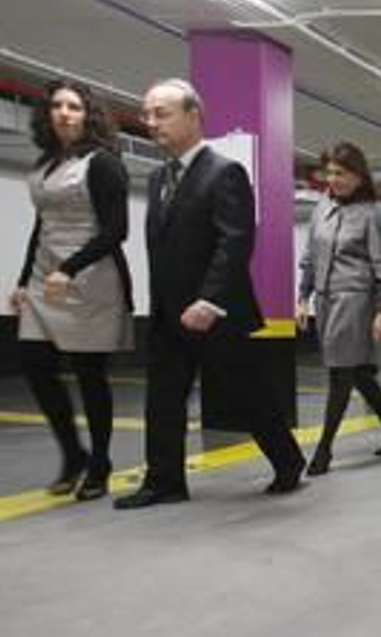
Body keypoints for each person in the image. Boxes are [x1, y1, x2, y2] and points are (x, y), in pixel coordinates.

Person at [115, 78, 304, 509]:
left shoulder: (225, 172)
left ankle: (288, 462)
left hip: (216, 313)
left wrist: (208, 299)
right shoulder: (161, 176)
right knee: (162, 400)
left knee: (248, 395)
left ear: (193, 116)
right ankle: (164, 481)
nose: (150, 123)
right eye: (146, 115)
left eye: (161, 114)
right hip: (168, 314)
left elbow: (234, 241)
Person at [9, 79, 134, 502]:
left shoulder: (102, 163)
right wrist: (24, 281)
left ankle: (99, 462)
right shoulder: (45, 165)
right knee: (35, 365)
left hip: (91, 279)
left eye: (74, 107)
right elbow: (39, 226)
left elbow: (117, 231)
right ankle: (72, 454)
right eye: (58, 106)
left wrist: (71, 268)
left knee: (89, 375)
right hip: (46, 279)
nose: (64, 113)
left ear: (89, 115)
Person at [295, 141, 381, 476]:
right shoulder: (321, 208)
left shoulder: (372, 214)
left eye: (341, 173)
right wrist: (303, 297)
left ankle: (324, 449)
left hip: (355, 301)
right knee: (357, 370)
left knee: (340, 373)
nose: (334, 179)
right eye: (329, 172)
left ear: (359, 176)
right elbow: (311, 257)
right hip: (326, 301)